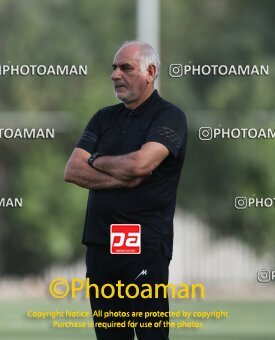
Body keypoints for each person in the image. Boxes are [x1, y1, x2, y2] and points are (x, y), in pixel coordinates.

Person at [64, 41, 187, 340]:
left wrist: (96, 161)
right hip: (100, 243)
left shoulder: (169, 117)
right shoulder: (103, 118)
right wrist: (116, 173)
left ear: (150, 72)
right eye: (114, 68)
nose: (115, 75)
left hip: (142, 244)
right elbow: (73, 170)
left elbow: (140, 165)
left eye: (126, 68)